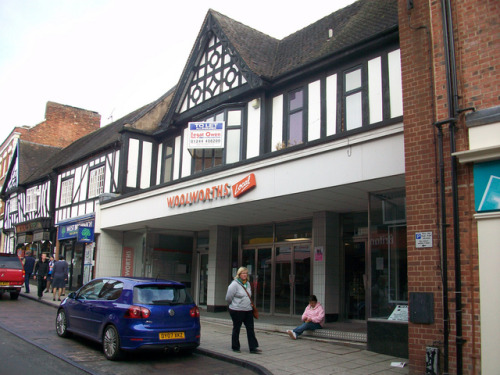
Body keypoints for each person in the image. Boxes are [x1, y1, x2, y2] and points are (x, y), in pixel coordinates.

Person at [225, 267, 261, 354]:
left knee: (250, 328)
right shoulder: (234, 284)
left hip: (248, 309)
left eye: (246, 273)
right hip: (237, 310)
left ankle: (253, 348)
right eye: (243, 273)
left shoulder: (248, 284)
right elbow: (228, 298)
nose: (244, 275)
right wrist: (234, 304)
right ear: (239, 274)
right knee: (237, 328)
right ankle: (235, 347)